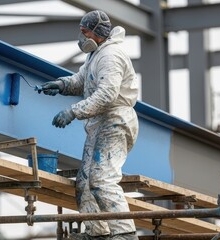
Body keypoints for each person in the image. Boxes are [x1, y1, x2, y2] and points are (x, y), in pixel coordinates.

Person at [39, 10, 139, 240]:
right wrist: (62, 85)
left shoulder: (110, 56)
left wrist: (73, 111)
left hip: (115, 121)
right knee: (85, 182)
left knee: (102, 179)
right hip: (99, 123)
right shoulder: (95, 55)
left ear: (97, 33)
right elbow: (81, 80)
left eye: (84, 32)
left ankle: (125, 233)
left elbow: (107, 95)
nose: (81, 37)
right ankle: (98, 233)